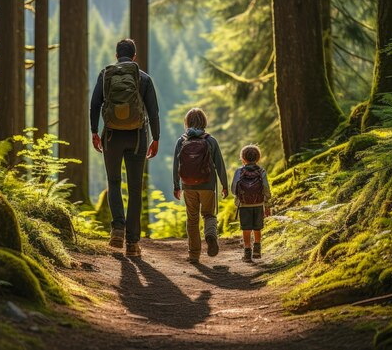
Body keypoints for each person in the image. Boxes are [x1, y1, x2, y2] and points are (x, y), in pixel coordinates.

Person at [90, 39, 160, 257]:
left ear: (116, 54)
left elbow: (94, 104)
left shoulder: (106, 75)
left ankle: (117, 230)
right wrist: (155, 138)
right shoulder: (144, 78)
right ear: (135, 56)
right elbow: (153, 111)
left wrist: (94, 131)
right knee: (135, 188)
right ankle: (132, 243)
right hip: (137, 137)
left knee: (113, 183)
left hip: (112, 136)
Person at [173, 108, 228, 263]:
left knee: (192, 219)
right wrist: (224, 185)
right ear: (204, 121)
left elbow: (176, 165)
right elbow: (220, 165)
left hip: (188, 186)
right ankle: (210, 236)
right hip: (208, 185)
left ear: (187, 122)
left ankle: (194, 254)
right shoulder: (210, 140)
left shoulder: (182, 141)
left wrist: (176, 186)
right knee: (209, 215)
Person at [231, 145, 272, 263]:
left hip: (244, 205)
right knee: (257, 228)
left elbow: (234, 189)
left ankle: (247, 252)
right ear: (258, 158)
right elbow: (266, 188)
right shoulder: (261, 171)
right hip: (258, 204)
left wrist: (239, 195)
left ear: (243, 158)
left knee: (246, 229)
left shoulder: (239, 171)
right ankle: (257, 250)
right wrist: (267, 202)